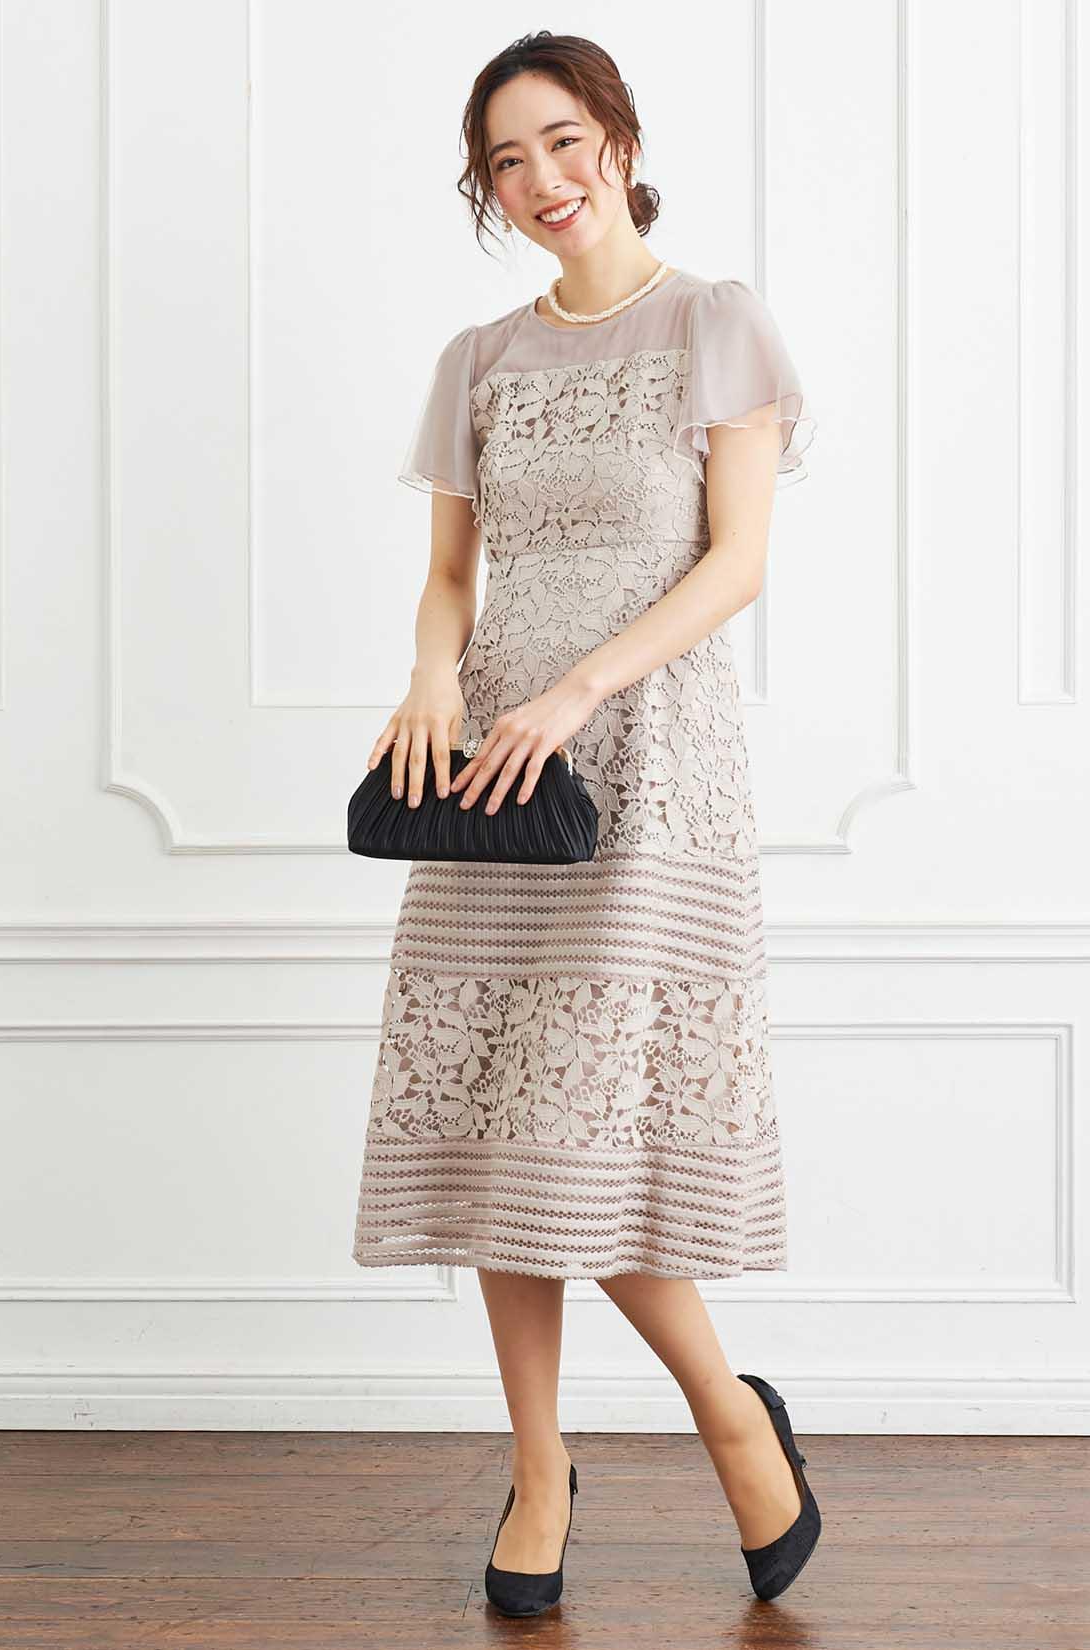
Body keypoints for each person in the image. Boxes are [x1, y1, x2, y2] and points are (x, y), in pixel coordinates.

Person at [351, 29, 821, 1615]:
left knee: (582, 1125)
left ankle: (726, 1412)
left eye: (561, 141)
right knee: (502, 1119)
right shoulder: (478, 359)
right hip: (494, 772)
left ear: (618, 138)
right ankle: (540, 1462)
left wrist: (578, 690)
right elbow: (448, 577)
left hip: (650, 759)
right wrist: (435, 678)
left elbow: (734, 561)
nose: (540, 179)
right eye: (506, 161)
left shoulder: (713, 322)